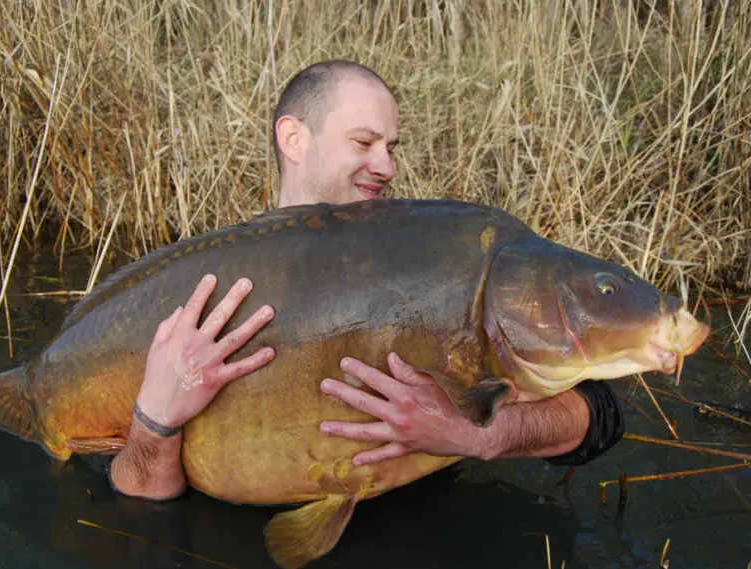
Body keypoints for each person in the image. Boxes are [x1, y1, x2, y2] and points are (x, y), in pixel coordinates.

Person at [108, 60, 624, 500]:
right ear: (293, 137)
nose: (387, 165)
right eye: (364, 142)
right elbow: (142, 510)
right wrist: (154, 419)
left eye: (391, 147)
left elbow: (602, 416)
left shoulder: (428, 260)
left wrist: (475, 434)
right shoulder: (207, 290)